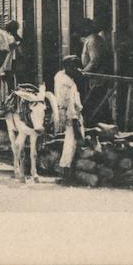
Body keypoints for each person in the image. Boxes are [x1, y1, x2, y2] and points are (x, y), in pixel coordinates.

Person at [54, 55, 86, 185]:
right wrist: (74, 120)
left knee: (71, 143)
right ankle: (66, 175)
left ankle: (68, 173)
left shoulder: (63, 77)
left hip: (70, 111)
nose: (76, 70)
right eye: (73, 67)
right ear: (66, 67)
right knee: (70, 143)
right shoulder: (65, 82)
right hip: (69, 113)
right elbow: (69, 101)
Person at [80, 17, 113, 123]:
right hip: (95, 77)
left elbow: (95, 60)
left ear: (87, 28)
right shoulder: (91, 39)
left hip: (99, 77)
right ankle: (105, 124)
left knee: (92, 102)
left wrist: (84, 72)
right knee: (100, 102)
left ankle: (100, 124)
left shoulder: (93, 40)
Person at [3, 20, 22, 91]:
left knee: (16, 85)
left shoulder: (18, 39)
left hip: (15, 64)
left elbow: (21, 52)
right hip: (8, 65)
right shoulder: (8, 39)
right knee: (10, 86)